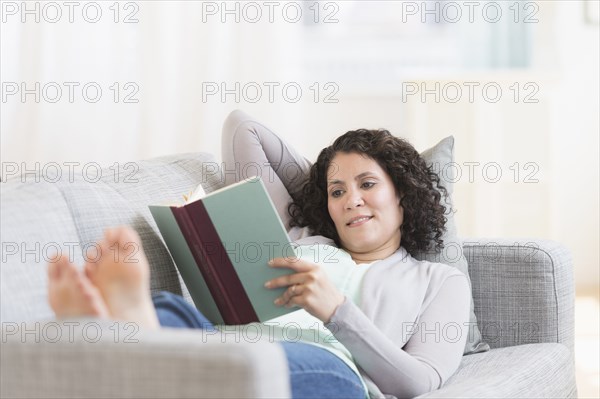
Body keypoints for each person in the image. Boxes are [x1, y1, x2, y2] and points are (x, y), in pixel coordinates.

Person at [47, 110, 471, 399]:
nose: (351, 200)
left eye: (368, 184)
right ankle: (135, 329)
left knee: (251, 362)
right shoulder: (296, 237)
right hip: (228, 342)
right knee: (167, 305)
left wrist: (337, 311)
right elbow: (242, 127)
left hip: (333, 369)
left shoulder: (436, 280)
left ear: (403, 190)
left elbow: (420, 381)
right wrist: (323, 179)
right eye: (338, 192)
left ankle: (128, 342)